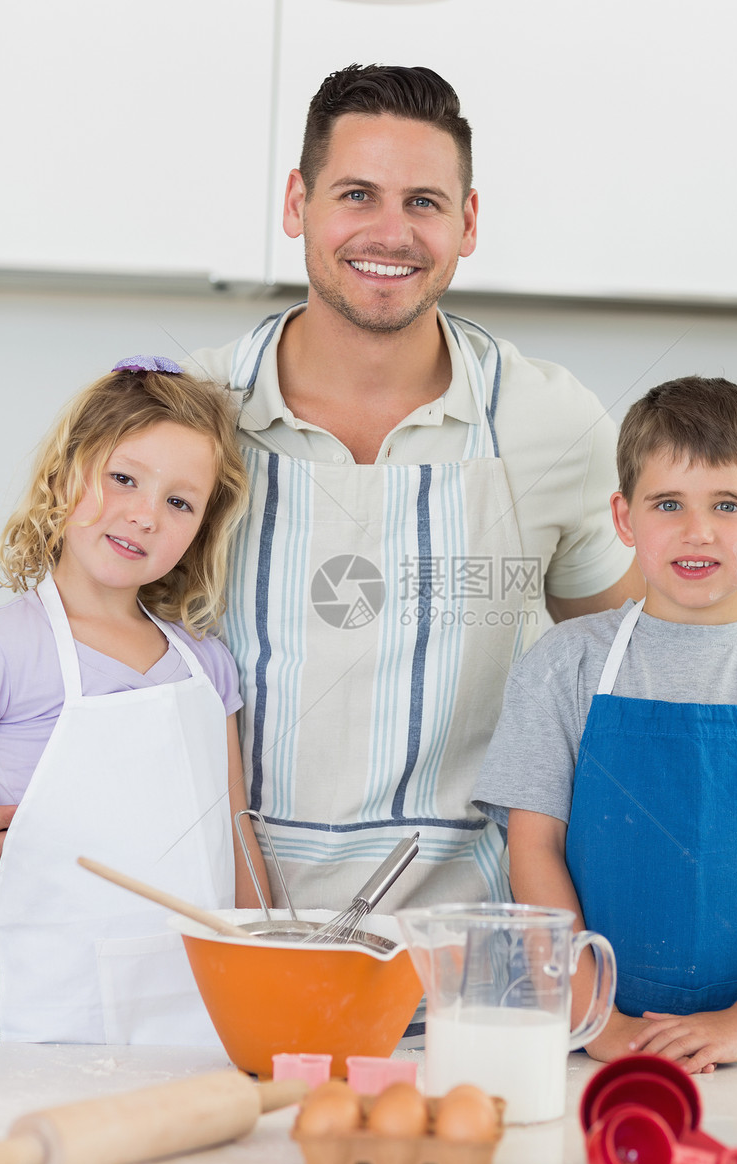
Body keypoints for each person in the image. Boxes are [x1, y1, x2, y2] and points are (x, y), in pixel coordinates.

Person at [186, 64, 642, 913]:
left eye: (424, 203)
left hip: (471, 952)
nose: (390, 232)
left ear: (468, 223)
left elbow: (625, 665)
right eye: (357, 194)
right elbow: (98, 649)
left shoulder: (548, 418)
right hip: (218, 931)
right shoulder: (189, 415)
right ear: (298, 203)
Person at [474, 376, 737, 1072]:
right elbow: (532, 852)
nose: (697, 530)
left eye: (729, 505)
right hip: (587, 1044)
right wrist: (600, 1022)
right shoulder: (563, 667)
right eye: (668, 503)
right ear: (625, 519)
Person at [0, 356, 269, 1045]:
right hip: (46, 1012)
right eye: (124, 478)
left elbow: (237, 842)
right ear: (65, 471)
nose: (145, 515)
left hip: (197, 1009)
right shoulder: (11, 640)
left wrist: (273, 957)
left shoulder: (206, 664)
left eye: (180, 502)